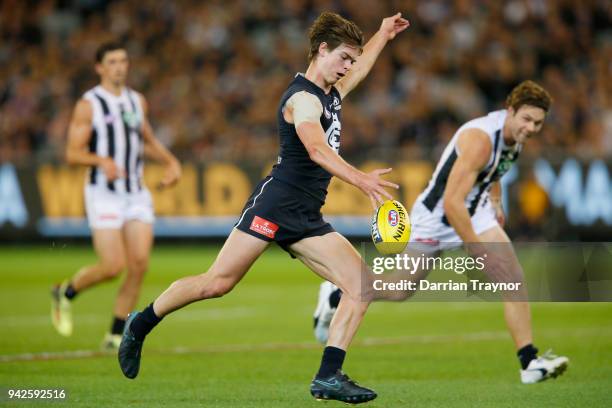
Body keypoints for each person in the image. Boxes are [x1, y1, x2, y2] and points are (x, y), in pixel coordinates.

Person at [118, 12, 409, 404]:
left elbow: (363, 66)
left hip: (306, 215)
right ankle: (142, 322)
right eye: (342, 57)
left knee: (362, 287)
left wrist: (383, 35)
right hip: (275, 205)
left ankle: (328, 376)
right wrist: (361, 180)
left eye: (351, 61)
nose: (348, 67)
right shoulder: (302, 98)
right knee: (217, 283)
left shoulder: (332, 92)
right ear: (321, 50)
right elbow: (315, 148)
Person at [313, 80, 569, 384]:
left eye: (538, 123)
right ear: (509, 110)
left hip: (475, 213)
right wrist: (478, 249)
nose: (531, 127)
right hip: (437, 218)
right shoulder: (481, 140)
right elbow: (451, 202)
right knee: (398, 290)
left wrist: (496, 201)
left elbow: (494, 169)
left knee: (514, 280)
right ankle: (336, 293)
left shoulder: (513, 135)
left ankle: (530, 363)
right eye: (526, 119)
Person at [51, 41, 181, 350]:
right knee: (112, 266)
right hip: (103, 193)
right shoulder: (89, 104)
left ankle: (114, 335)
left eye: (123, 60)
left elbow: (145, 139)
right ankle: (65, 292)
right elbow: (72, 153)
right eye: (112, 62)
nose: (119, 66)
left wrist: (170, 161)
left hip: (135, 192)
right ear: (99, 68)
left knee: (138, 265)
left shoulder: (137, 101)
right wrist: (100, 161)